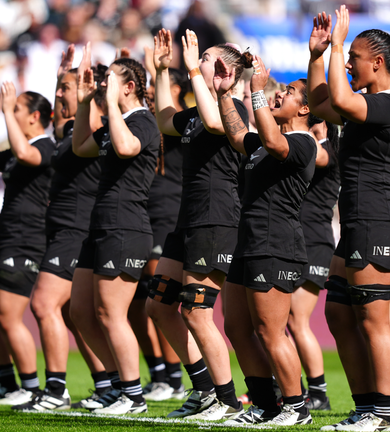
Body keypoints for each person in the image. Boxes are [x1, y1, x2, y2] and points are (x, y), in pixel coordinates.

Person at [308, 6, 390, 431]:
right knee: (337, 314)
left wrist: (335, 47)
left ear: (378, 63)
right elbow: (320, 102)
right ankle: (366, 405)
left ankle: (385, 413)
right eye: (346, 56)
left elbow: (340, 99)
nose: (348, 62)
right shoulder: (366, 104)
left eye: (353, 56)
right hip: (356, 225)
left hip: (378, 223)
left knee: (373, 321)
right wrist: (317, 55)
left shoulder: (389, 104)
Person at [216, 51, 323, 425]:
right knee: (237, 327)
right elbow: (235, 135)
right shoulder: (264, 142)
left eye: (289, 92)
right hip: (249, 243)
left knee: (271, 331)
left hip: (275, 245)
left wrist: (258, 93)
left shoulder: (304, 143)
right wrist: (225, 92)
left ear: (305, 109)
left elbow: (277, 145)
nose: (280, 95)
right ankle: (265, 404)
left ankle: (297, 407)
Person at [147, 28, 248, 420]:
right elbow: (164, 119)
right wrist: (159, 72)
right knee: (159, 306)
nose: (197, 59)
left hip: (215, 220)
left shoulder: (232, 107)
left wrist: (190, 72)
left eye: (205, 57)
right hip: (187, 221)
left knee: (196, 313)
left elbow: (216, 123)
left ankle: (226, 400)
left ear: (224, 69)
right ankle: (204, 390)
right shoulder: (196, 110)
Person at [11, 44, 108, 411]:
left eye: (64, 90)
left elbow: (93, 112)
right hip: (62, 228)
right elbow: (59, 119)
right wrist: (60, 75)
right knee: (72, 314)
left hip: (77, 229)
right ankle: (107, 385)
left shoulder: (93, 124)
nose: (59, 97)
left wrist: (85, 82)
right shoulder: (67, 130)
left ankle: (55, 391)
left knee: (43, 303)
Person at [69, 55, 160, 415]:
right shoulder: (115, 122)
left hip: (126, 226)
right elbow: (80, 147)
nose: (103, 85)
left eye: (109, 81)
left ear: (129, 88)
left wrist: (108, 105)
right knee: (79, 311)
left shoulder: (142, 121)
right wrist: (82, 102)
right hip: (101, 226)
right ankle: (112, 387)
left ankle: (132, 396)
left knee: (110, 313)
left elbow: (126, 148)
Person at [0, 83, 54, 406]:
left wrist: (4, 112)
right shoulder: (19, 148)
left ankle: (30, 388)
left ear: (34, 117)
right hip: (3, 236)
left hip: (26, 237)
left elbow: (25, 154)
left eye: (16, 108)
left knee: (6, 314)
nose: (10, 111)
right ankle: (6, 383)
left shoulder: (46, 146)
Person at [135, 49, 190, 401]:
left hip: (169, 213)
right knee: (135, 303)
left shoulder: (180, 117)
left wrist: (156, 71)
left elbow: (163, 119)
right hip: (142, 212)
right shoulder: (147, 118)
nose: (154, 94)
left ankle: (174, 379)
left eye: (160, 87)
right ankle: (159, 372)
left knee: (160, 298)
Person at [286, 115, 339, 412]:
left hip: (316, 242)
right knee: (280, 321)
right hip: (297, 240)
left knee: (296, 320)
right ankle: (294, 387)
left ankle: (318, 393)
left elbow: (315, 158)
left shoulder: (329, 148)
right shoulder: (312, 143)